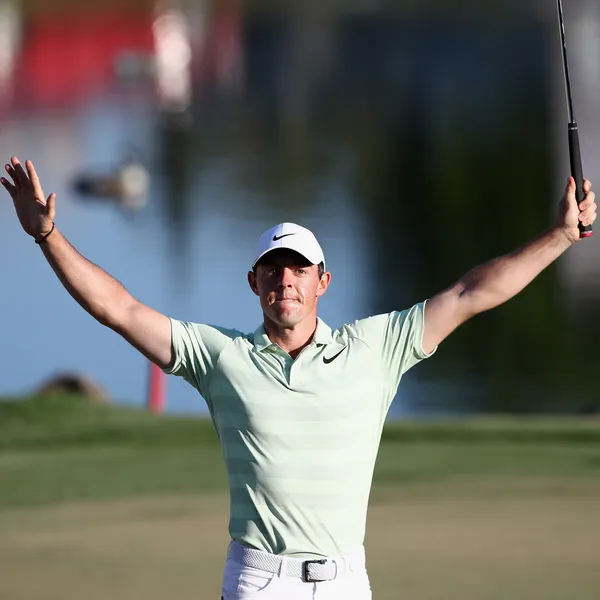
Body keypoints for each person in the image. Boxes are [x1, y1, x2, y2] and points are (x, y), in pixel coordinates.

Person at [2, 156, 597, 600]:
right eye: (272, 270)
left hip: (346, 582)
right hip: (260, 582)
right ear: (254, 283)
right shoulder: (220, 356)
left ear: (322, 282)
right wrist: (47, 236)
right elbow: (120, 309)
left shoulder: (376, 348)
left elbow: (471, 293)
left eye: (298, 269)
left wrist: (562, 236)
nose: (285, 280)